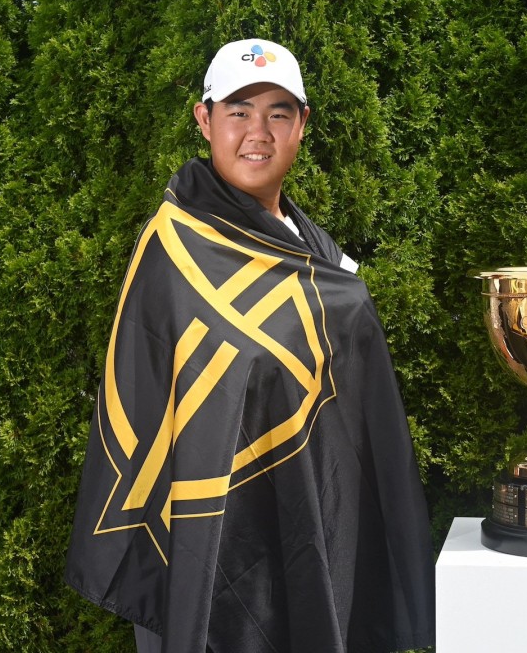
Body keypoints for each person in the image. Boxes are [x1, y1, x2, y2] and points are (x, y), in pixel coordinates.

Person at [64, 38, 436, 653]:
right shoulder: (174, 248)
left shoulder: (318, 253)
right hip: (207, 537)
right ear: (204, 119)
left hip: (307, 521)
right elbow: (151, 403)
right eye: (238, 111)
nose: (256, 132)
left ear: (302, 126)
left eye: (277, 113)